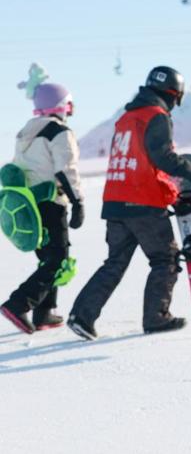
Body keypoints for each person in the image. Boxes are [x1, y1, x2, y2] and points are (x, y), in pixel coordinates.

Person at [67, 66, 191, 340]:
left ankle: (82, 316)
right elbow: (162, 157)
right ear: (174, 94)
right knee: (166, 259)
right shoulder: (157, 116)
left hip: (116, 201)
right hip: (144, 203)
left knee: (115, 262)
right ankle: (156, 317)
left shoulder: (127, 117)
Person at [1, 64, 84, 334]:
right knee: (58, 260)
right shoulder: (59, 132)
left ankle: (45, 312)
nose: (70, 111)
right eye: (68, 106)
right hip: (51, 201)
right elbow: (65, 169)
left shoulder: (27, 130)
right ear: (61, 106)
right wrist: (78, 202)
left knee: (48, 257)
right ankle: (19, 304)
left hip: (30, 205)